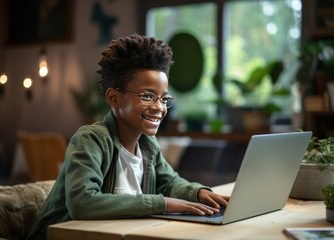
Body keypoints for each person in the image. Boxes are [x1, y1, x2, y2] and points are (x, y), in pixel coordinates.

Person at [27, 34, 229, 240]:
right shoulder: (91, 139)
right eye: (148, 96)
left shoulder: (148, 145)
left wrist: (198, 193)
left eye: (164, 98)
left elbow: (169, 182)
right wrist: (164, 203)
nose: (159, 107)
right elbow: (82, 202)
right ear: (114, 98)